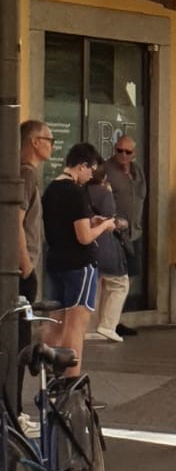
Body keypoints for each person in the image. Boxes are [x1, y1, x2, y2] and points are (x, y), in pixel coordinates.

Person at [41, 143, 118, 378]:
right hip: (79, 264)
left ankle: (50, 378)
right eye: (91, 171)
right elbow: (83, 237)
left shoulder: (51, 189)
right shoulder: (75, 192)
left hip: (55, 261)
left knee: (54, 320)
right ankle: (70, 381)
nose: (90, 176)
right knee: (76, 324)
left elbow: (64, 224)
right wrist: (105, 225)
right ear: (82, 165)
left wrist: (90, 220)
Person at [16, 120, 50, 428]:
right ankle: (14, 412)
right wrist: (27, 268)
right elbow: (17, 222)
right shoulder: (26, 174)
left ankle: (13, 410)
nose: (52, 144)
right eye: (48, 138)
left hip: (21, 267)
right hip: (20, 270)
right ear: (34, 142)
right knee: (19, 345)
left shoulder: (26, 174)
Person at [103, 134, 145, 337]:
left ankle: (118, 318)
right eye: (119, 150)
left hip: (134, 232)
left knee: (132, 275)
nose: (122, 155)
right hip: (115, 233)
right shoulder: (106, 170)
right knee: (115, 278)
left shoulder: (137, 171)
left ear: (133, 154)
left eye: (127, 152)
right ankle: (108, 321)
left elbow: (141, 196)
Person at [85, 162, 132, 342]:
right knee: (119, 284)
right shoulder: (105, 194)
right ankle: (107, 325)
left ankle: (90, 326)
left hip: (88, 247)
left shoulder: (80, 192)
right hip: (107, 247)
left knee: (95, 286)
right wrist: (122, 224)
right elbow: (111, 221)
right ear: (104, 178)